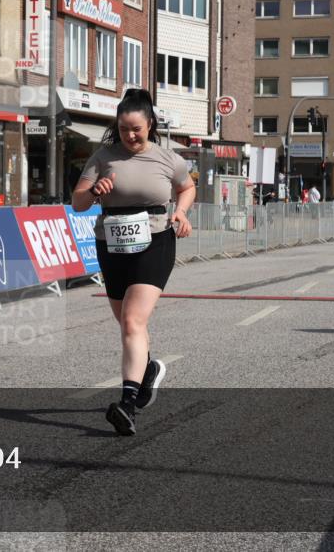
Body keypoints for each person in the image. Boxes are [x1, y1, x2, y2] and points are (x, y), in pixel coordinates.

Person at [71, 88, 195, 436]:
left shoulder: (168, 158)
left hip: (156, 240)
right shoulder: (103, 157)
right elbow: (78, 202)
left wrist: (181, 213)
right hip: (111, 243)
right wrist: (95, 191)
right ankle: (148, 370)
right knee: (129, 326)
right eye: (124, 129)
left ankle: (127, 405)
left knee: (131, 320)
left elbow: (186, 188)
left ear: (150, 124)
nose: (130, 135)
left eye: (136, 128)